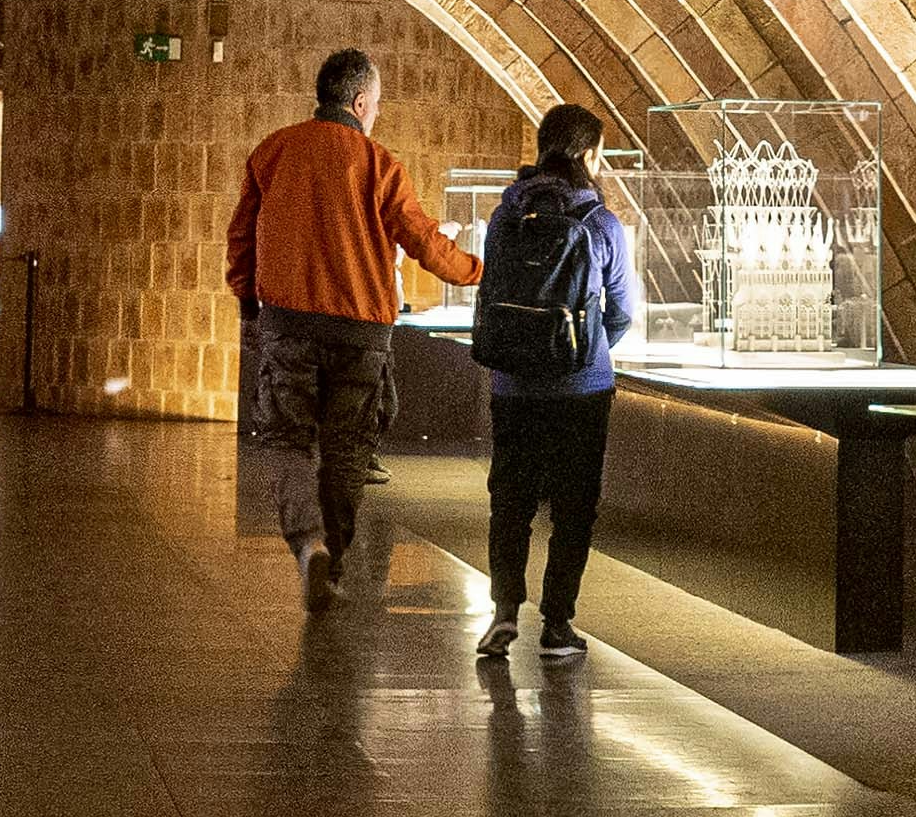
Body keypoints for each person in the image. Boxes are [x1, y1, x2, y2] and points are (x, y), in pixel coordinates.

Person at [226, 47, 483, 613]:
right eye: (377, 105)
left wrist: (249, 303)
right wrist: (477, 272)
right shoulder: (379, 164)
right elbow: (421, 240)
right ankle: (337, 562)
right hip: (361, 333)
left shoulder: (273, 151)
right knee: (347, 449)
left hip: (288, 324)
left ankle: (309, 544)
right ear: (361, 101)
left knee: (289, 442)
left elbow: (242, 235)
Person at [471, 103, 633, 664]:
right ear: (589, 155)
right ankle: (558, 625)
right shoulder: (602, 224)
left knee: (509, 499)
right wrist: (584, 351)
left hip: (511, 385)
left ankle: (503, 615)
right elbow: (621, 313)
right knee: (574, 504)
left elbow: (492, 293)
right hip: (581, 389)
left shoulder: (502, 218)